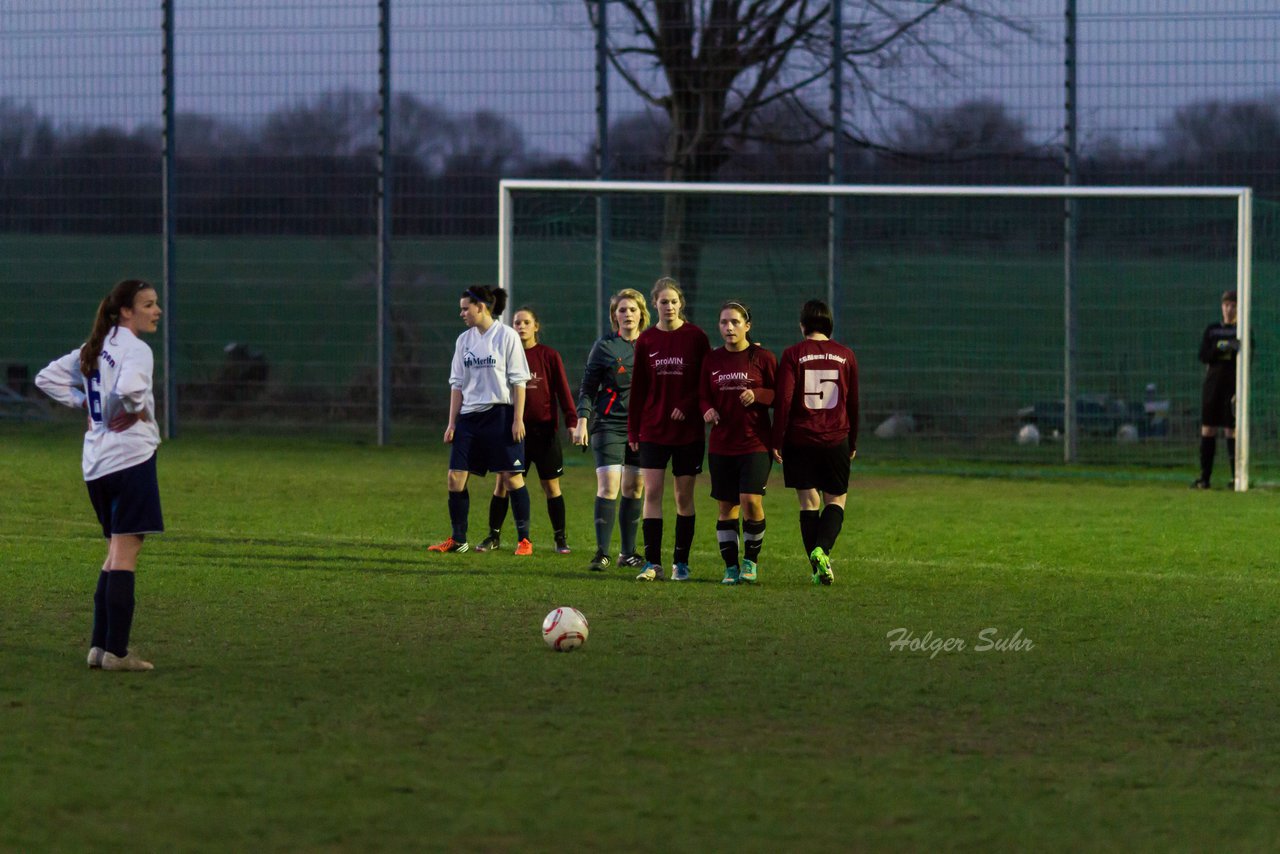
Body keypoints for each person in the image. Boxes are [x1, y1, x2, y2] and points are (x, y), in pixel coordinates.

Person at [35, 279, 164, 672]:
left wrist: (85, 407)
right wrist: (134, 408)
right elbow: (128, 390)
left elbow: (45, 378)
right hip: (131, 460)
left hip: (96, 464)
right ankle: (117, 653)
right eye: (148, 304)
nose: (156, 311)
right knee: (126, 555)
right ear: (126, 311)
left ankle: (98, 646)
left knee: (113, 554)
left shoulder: (95, 348)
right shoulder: (136, 349)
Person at [428, 286, 534, 555]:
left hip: (500, 415)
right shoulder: (463, 340)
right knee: (454, 478)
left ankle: (524, 540)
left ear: (481, 307)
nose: (461, 313)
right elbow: (457, 384)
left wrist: (517, 419)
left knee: (512, 479)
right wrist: (452, 423)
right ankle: (458, 539)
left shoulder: (507, 336)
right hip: (469, 419)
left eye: (466, 308)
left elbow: (519, 381)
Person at [475, 307, 579, 554]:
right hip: (512, 432)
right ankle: (494, 536)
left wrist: (572, 421)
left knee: (551, 486)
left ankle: (560, 539)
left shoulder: (549, 356)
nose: (521, 327)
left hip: (543, 432)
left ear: (536, 326)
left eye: (526, 322)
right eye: (516, 323)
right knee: (502, 483)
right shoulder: (504, 355)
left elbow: (563, 393)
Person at [771, 299, 859, 586]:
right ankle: (823, 552)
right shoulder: (846, 355)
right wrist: (853, 440)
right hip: (836, 439)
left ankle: (817, 564)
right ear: (829, 325)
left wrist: (778, 438)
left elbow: (783, 400)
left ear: (803, 325)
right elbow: (853, 402)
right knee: (836, 500)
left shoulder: (793, 354)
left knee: (809, 503)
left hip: (800, 439)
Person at [628, 277, 711, 582]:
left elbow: (706, 381)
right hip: (653, 429)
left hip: (688, 432)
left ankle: (681, 563)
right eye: (664, 302)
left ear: (681, 304)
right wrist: (633, 430)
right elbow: (638, 388)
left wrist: (688, 405)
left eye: (674, 301)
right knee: (651, 492)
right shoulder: (647, 340)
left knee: (683, 496)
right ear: (655, 305)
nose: (670, 307)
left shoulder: (696, 337)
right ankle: (652, 564)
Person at [700, 300, 777, 586]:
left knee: (750, 501)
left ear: (748, 325)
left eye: (734, 322)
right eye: (723, 322)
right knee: (726, 506)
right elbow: (702, 394)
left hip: (755, 442)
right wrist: (706, 408)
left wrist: (758, 394)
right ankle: (731, 567)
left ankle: (751, 561)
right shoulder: (712, 359)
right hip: (721, 444)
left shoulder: (763, 357)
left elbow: (779, 394)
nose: (729, 327)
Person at [572, 288, 649, 572]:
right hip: (608, 425)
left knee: (635, 486)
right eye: (621, 310)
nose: (627, 314)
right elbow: (588, 387)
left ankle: (627, 553)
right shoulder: (604, 346)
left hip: (642, 428)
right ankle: (602, 552)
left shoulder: (652, 344)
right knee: (609, 486)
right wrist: (582, 419)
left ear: (642, 313)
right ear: (614, 316)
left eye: (632, 309)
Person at [1192, 289, 1240, 489]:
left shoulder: (1242, 330)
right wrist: (1221, 348)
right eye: (1226, 305)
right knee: (1208, 428)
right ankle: (1205, 478)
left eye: (1233, 305)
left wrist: (1229, 349)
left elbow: (1245, 353)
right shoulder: (1212, 330)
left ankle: (1236, 478)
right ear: (1222, 307)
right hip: (1212, 386)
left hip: (1233, 387)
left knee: (1232, 430)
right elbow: (1203, 355)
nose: (1229, 309)